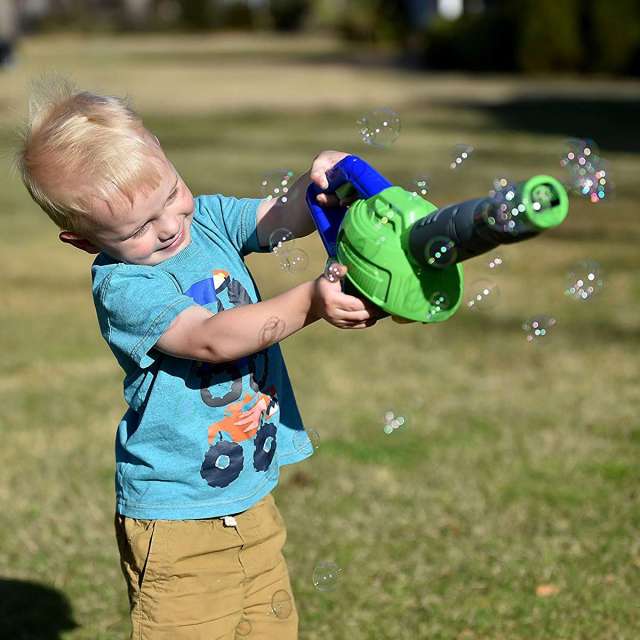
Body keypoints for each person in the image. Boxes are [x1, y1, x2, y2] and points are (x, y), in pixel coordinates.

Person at [16, 79, 384, 639]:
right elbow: (210, 338)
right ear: (84, 241)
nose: (168, 225)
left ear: (165, 154)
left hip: (250, 493)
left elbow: (278, 218)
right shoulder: (125, 286)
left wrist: (322, 187)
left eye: (170, 193)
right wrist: (310, 301)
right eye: (139, 228)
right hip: (177, 518)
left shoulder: (204, 219)